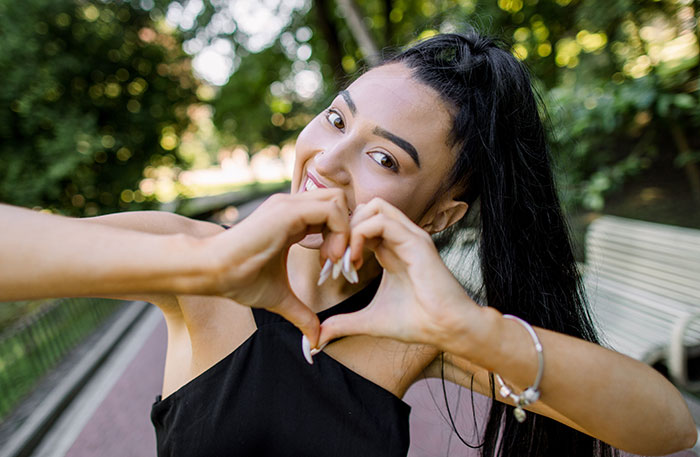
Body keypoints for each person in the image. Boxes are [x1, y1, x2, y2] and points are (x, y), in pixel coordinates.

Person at [1, 31, 696, 456]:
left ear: (439, 216)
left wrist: (474, 327)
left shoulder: (419, 329)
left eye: (385, 159)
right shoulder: (188, 258)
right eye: (337, 118)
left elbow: (669, 427)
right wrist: (213, 263)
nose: (327, 160)